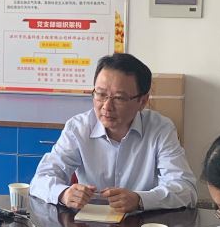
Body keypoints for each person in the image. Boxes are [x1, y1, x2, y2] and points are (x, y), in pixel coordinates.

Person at [29, 53, 196, 214]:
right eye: (101, 94)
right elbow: (40, 179)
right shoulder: (78, 128)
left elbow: (186, 189)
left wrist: (140, 199)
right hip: (88, 224)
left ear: (142, 101)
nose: (106, 107)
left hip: (142, 224)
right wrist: (63, 194)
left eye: (119, 98)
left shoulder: (160, 129)